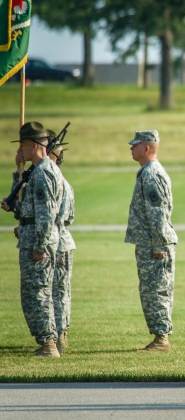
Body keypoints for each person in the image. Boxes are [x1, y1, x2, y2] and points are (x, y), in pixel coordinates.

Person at [12, 122, 64, 357]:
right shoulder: (39, 171)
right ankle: (47, 340)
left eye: (23, 144)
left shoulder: (43, 173)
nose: (20, 149)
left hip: (38, 242)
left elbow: (46, 214)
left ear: (34, 145)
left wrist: (40, 246)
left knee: (38, 293)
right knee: (37, 292)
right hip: (33, 238)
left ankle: (48, 344)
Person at [125, 130, 178, 351]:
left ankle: (161, 339)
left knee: (157, 290)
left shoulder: (151, 174)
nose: (131, 148)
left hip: (156, 244)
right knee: (151, 290)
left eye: (135, 145)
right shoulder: (147, 172)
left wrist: (158, 245)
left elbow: (158, 214)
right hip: (150, 243)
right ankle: (159, 337)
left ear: (146, 148)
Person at [46, 129, 75, 354]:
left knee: (59, 291)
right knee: (57, 291)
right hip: (61, 239)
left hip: (59, 242)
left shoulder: (56, 180)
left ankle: (61, 335)